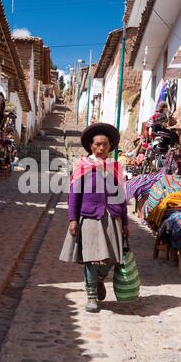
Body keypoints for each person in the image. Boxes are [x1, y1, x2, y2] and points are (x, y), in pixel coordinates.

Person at [59, 123, 129, 313]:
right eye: (97, 144)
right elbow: (74, 194)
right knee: (91, 258)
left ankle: (99, 280)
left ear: (110, 147)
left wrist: (126, 222)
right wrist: (72, 219)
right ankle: (91, 296)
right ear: (91, 146)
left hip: (112, 217)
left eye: (105, 145)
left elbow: (121, 196)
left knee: (111, 259)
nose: (101, 148)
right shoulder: (83, 167)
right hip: (89, 216)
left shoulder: (114, 168)